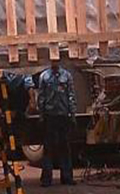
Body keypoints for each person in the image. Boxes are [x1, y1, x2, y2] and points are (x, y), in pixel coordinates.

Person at [35, 59, 77, 187]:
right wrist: (41, 115)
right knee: (48, 148)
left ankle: (67, 177)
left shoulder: (66, 75)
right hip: (50, 116)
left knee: (64, 147)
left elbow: (71, 95)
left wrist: (72, 113)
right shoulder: (45, 76)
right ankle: (47, 179)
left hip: (63, 116)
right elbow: (41, 96)